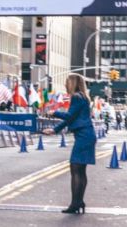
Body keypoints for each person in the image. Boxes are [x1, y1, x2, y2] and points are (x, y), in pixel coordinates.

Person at [43, 74, 96, 214]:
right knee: (80, 170)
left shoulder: (77, 97)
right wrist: (54, 130)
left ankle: (75, 203)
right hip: (86, 135)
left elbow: (69, 116)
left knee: (75, 168)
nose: (66, 85)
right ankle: (79, 201)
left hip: (84, 136)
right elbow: (71, 119)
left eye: (67, 83)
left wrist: (54, 112)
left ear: (73, 83)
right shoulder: (83, 97)